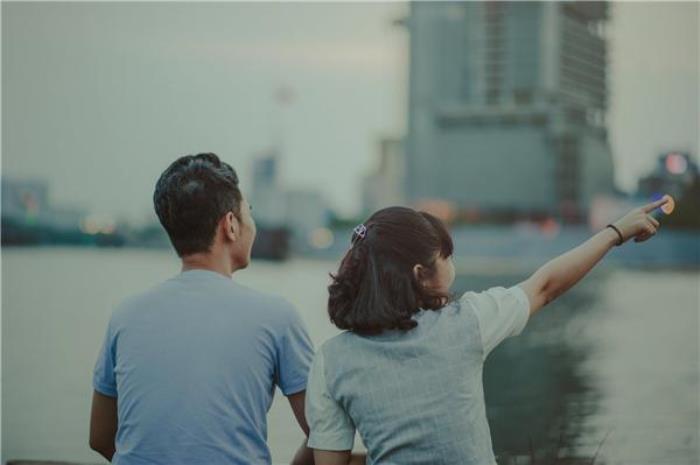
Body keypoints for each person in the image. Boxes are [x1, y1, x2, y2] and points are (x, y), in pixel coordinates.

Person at [305, 199, 668, 465]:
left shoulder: (331, 360)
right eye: (446, 256)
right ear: (420, 274)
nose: (453, 263)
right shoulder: (467, 322)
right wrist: (615, 233)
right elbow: (545, 285)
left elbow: (330, 461)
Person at [90, 153, 315, 465]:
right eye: (248, 212)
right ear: (231, 225)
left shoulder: (125, 315)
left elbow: (100, 437)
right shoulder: (277, 317)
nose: (253, 224)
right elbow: (325, 432)